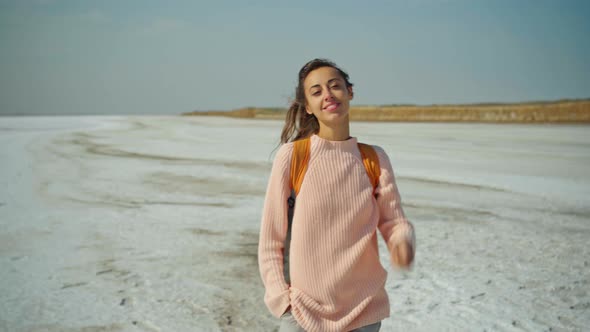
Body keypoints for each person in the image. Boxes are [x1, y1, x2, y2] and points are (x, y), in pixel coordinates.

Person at [258, 58, 416, 332]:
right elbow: (271, 238)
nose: (328, 95)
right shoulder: (293, 157)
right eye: (317, 91)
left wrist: (401, 241)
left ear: (350, 91)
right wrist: (281, 298)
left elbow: (393, 220)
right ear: (307, 106)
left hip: (363, 311)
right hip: (303, 311)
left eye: (335, 86)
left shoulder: (373, 158)